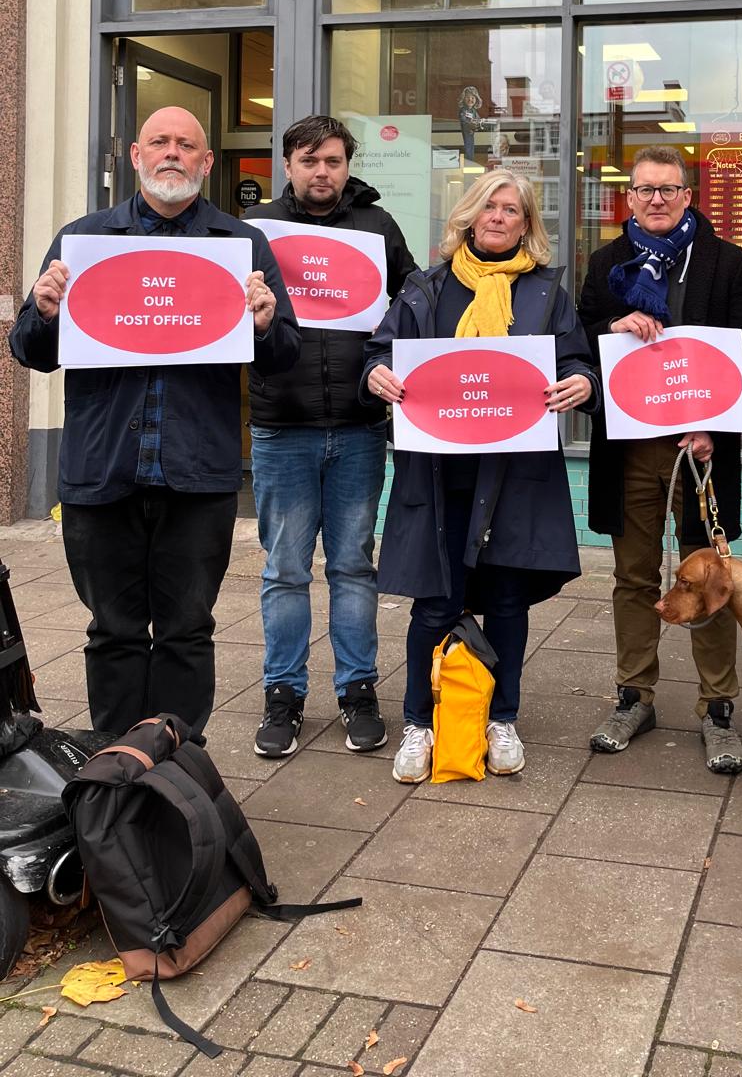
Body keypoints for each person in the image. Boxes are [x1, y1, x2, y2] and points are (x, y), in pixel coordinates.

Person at [8, 106, 300, 737]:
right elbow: (30, 351)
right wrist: (44, 310)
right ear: (137, 156)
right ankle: (114, 773)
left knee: (187, 631)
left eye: (187, 145)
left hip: (197, 475)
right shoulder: (83, 241)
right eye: (160, 142)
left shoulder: (241, 245)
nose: (173, 153)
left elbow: (283, 359)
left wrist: (266, 323)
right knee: (111, 630)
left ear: (206, 162)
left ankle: (176, 770)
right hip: (102, 470)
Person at [363, 170, 598, 784]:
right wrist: (378, 373)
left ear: (527, 225)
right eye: (490, 206)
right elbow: (381, 350)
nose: (499, 217)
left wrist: (582, 381)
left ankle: (502, 717)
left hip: (515, 472)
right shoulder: (425, 287)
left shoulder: (547, 291)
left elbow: (575, 358)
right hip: (440, 475)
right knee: (434, 603)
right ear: (469, 215)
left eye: (513, 210)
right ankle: (419, 720)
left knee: (507, 601)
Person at [579, 146, 742, 773]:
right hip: (630, 450)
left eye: (668, 189)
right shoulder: (607, 264)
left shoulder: (728, 263)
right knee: (634, 577)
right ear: (628, 199)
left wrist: (715, 425)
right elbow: (576, 343)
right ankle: (634, 696)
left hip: (703, 451)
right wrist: (612, 328)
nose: (656, 199)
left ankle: (718, 708)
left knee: (710, 582)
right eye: (644, 190)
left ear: (688, 196)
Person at [242, 116, 416, 759]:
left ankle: (357, 691)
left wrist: (396, 362)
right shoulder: (257, 229)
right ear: (288, 163)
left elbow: (416, 298)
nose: (323, 172)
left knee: (352, 568)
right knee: (285, 571)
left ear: (348, 165)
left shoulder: (378, 227)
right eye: (310, 160)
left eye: (335, 161)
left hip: (359, 426)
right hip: (281, 424)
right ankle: (282, 696)